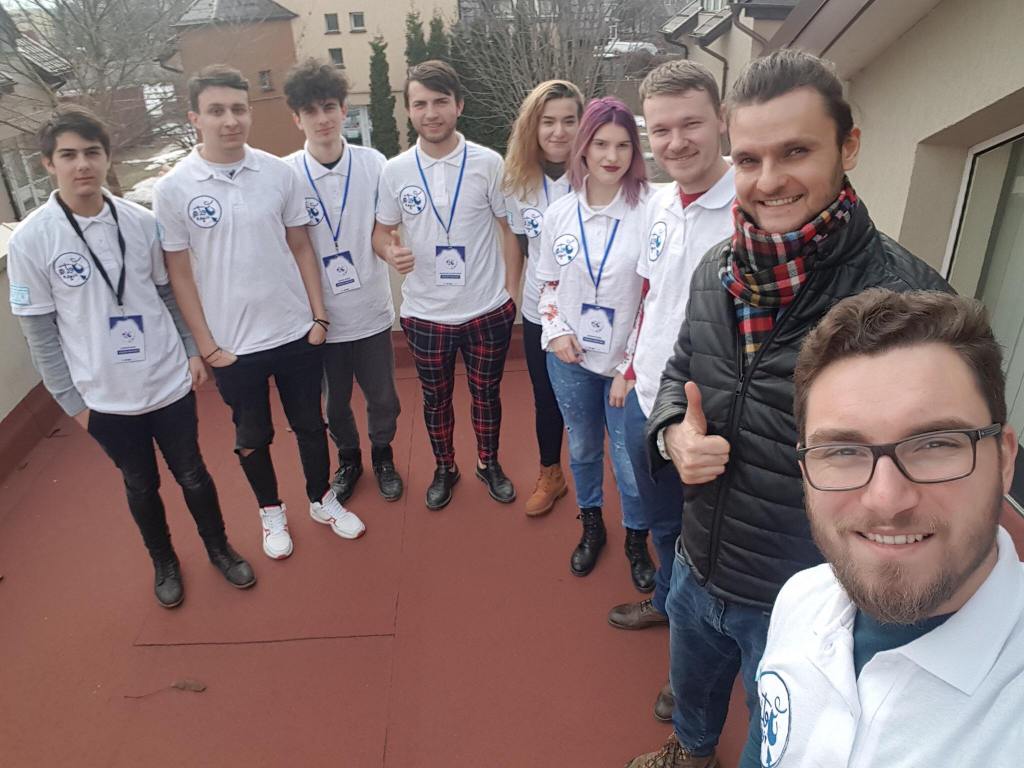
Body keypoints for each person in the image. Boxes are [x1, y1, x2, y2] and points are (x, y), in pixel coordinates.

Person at [626, 50, 950, 768]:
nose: (768, 180)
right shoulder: (716, 271)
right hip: (697, 561)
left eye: (795, 152)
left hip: (804, 598)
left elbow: (934, 480)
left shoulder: (906, 307)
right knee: (692, 697)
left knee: (782, 744)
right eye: (749, 159)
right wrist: (673, 433)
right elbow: (679, 375)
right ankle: (690, 752)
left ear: (848, 147)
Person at [743, 288, 1024, 766]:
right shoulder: (801, 598)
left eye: (935, 444)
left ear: (1004, 459)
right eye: (842, 451)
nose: (887, 500)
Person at [7, 106, 255, 607]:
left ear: (107, 157)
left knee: (192, 472)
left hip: (167, 380)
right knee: (140, 484)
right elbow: (39, 332)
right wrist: (73, 403)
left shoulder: (141, 223)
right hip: (105, 396)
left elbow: (167, 294)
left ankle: (219, 548)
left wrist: (191, 350)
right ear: (48, 164)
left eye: (92, 153)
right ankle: (164, 561)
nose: (83, 165)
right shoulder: (33, 240)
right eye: (68, 155)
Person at [154, 65, 365, 561]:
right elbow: (179, 274)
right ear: (195, 118)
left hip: (295, 333)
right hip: (233, 346)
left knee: (310, 424)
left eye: (238, 109)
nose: (230, 120)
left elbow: (301, 246)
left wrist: (319, 318)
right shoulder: (174, 188)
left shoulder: (278, 173)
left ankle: (321, 499)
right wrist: (206, 345)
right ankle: (271, 510)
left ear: (250, 113)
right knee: (252, 435)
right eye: (216, 111)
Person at [607, 59, 736, 724]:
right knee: (661, 524)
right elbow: (650, 295)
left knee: (706, 551)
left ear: (722, 121)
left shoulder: (750, 207)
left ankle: (691, 673)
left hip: (710, 418)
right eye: (661, 130)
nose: (676, 142)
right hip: (646, 399)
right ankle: (664, 603)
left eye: (691, 124)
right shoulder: (656, 203)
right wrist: (629, 366)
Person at [372, 60, 519, 510]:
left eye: (440, 102)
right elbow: (381, 232)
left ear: (459, 105)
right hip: (425, 313)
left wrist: (510, 294)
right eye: (420, 104)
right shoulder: (395, 171)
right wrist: (390, 252)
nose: (431, 112)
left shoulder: (488, 163)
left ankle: (488, 462)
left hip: (485, 308)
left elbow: (509, 228)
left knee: (486, 396)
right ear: (408, 110)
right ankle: (445, 467)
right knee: (435, 401)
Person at [536, 96, 649, 581]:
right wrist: (557, 331)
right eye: (601, 143)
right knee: (582, 448)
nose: (611, 156)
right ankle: (591, 524)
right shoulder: (559, 214)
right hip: (571, 359)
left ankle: (637, 538)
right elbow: (548, 283)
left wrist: (631, 364)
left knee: (628, 460)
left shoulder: (650, 211)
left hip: (626, 367)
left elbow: (657, 295)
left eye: (623, 145)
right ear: (583, 147)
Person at [282, 59, 403, 504]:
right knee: (334, 404)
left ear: (344, 110)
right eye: (310, 111)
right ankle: (349, 459)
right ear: (297, 119)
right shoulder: (286, 175)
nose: (322, 118)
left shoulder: (374, 164)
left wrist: (393, 250)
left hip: (371, 311)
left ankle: (383, 454)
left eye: (329, 107)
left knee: (383, 397)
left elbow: (385, 229)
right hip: (320, 318)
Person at [503, 79, 584, 517]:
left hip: (594, 312)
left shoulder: (599, 175)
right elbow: (519, 244)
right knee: (546, 397)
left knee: (600, 403)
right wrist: (512, 297)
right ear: (533, 127)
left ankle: (603, 485)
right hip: (541, 312)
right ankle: (551, 473)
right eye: (548, 121)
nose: (558, 131)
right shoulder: (519, 182)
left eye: (569, 121)